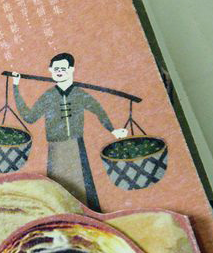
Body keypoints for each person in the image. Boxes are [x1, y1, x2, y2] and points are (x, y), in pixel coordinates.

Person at [11, 53, 128, 210]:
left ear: (71, 69)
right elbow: (30, 117)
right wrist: (16, 87)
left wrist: (113, 130)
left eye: (63, 68)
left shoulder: (79, 94)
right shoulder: (49, 96)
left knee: (83, 189)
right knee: (58, 192)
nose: (59, 72)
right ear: (51, 71)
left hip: (76, 146)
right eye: (56, 69)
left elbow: (98, 110)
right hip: (56, 149)